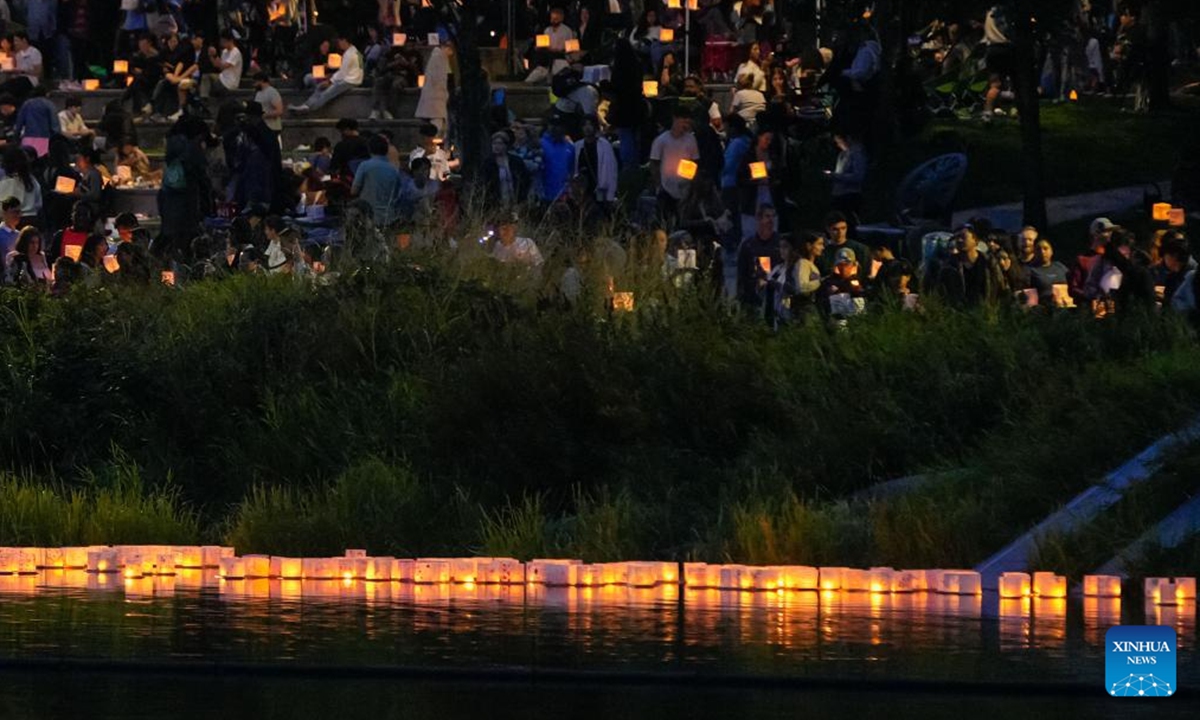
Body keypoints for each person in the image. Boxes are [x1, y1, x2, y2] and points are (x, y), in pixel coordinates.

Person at [290, 33, 363, 113]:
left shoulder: (349, 54)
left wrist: (330, 81)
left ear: (344, 41)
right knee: (320, 87)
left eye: (340, 42)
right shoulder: (352, 51)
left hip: (350, 80)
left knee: (328, 92)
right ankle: (307, 104)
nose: (339, 44)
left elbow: (342, 73)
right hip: (347, 78)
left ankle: (310, 108)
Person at [649, 106, 699, 221]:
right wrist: (658, 184)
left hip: (685, 188)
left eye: (688, 123)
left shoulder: (691, 140)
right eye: (683, 121)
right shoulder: (661, 140)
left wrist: (692, 185)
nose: (685, 126)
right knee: (665, 218)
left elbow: (695, 162)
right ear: (675, 119)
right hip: (665, 187)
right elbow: (654, 163)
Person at [734, 204, 781, 311]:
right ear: (759, 218)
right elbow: (741, 273)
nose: (771, 220)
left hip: (775, 295)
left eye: (773, 216)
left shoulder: (780, 243)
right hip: (752, 297)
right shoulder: (748, 245)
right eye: (767, 216)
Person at [351, 134, 402, 227]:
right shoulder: (393, 169)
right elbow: (397, 193)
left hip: (368, 216)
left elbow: (354, 190)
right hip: (389, 217)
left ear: (369, 149)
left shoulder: (364, 166)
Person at [573, 114, 618, 206]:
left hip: (599, 188)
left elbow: (611, 170)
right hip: (583, 188)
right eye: (584, 125)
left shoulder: (604, 145)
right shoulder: (577, 146)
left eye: (590, 124)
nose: (587, 128)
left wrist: (610, 194)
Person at [525, 6, 576, 85]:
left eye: (556, 19)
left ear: (561, 18)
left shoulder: (567, 31)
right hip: (547, 56)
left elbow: (571, 48)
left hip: (560, 57)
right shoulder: (547, 30)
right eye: (552, 18)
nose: (553, 21)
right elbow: (544, 44)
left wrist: (560, 51)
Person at [481, 130, 531, 207]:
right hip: (496, 202)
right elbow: (484, 183)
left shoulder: (516, 161)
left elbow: (525, 180)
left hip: (515, 200)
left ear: (506, 145)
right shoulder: (488, 163)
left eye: (499, 143)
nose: (496, 146)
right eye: (494, 143)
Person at [413, 39, 453, 134]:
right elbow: (442, 78)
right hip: (437, 95)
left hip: (434, 94)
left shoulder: (436, 57)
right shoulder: (440, 57)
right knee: (437, 121)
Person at [819, 247, 868, 319]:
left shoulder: (861, 281)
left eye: (846, 265)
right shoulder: (828, 282)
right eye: (840, 265)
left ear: (854, 265)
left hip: (857, 322)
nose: (843, 268)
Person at [818, 212, 869, 280]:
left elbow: (865, 273)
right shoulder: (823, 252)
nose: (840, 232)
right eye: (835, 229)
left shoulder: (860, 249)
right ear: (828, 229)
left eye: (843, 228)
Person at [0, 147, 42, 227]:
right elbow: (39, 204)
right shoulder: (32, 180)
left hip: (11, 222)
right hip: (31, 221)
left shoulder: (6, 182)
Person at [829, 133, 867, 217]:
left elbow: (858, 176)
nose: (838, 144)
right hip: (838, 195)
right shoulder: (842, 155)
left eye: (839, 141)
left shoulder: (857, 154)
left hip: (850, 196)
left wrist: (835, 176)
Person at [540, 117, 575, 205]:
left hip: (565, 195)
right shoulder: (540, 144)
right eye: (552, 125)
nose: (555, 128)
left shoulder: (569, 146)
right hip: (544, 196)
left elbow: (571, 169)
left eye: (559, 125)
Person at [1027, 239, 1071, 307]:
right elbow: (1030, 300)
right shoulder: (1030, 270)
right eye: (1038, 249)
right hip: (1045, 309)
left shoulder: (1060, 266)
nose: (1042, 252)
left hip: (1065, 307)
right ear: (1034, 252)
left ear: (1051, 251)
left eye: (1045, 248)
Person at [200, 30, 243, 99]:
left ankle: (204, 98)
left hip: (229, 82)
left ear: (230, 41)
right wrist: (212, 55)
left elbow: (223, 66)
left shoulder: (235, 52)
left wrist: (216, 56)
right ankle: (204, 98)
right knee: (206, 76)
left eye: (224, 41)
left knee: (207, 78)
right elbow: (217, 65)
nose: (222, 43)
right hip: (222, 78)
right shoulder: (225, 51)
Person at [253, 72, 284, 138]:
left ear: (261, 80)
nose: (254, 85)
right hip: (261, 127)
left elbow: (279, 110)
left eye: (255, 82)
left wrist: (264, 115)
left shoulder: (272, 92)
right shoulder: (258, 93)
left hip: (272, 128)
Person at [0, 195, 20, 273]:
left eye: (19, 212)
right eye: (14, 212)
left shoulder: (19, 234)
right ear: (4, 213)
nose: (17, 215)